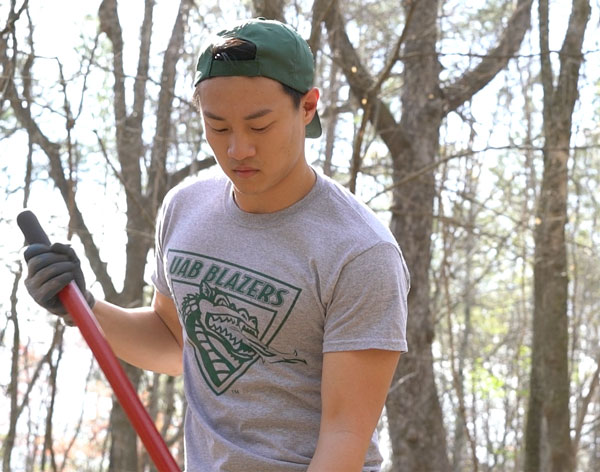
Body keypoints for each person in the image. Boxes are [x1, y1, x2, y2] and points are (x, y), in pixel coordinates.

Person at [23, 17, 409, 472]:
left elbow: (345, 433)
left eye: (259, 127)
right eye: (218, 127)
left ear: (307, 107)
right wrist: (82, 307)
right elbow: (175, 343)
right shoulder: (186, 208)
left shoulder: (359, 251)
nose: (238, 149)